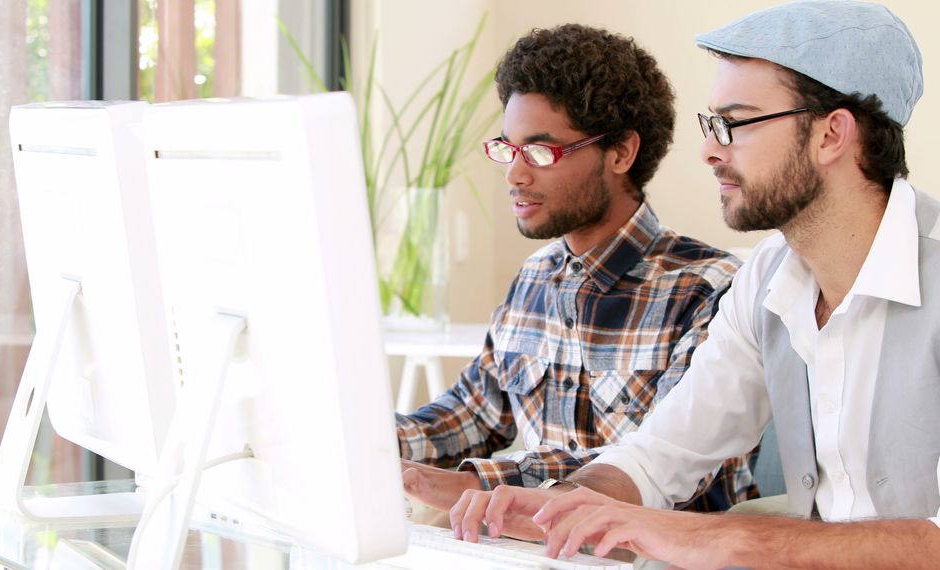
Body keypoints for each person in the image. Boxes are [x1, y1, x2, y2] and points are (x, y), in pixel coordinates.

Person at [449, 2, 940, 567]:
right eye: (713, 124)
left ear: (832, 134)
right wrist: (561, 508)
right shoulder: (768, 277)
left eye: (736, 122)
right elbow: (662, 455)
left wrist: (709, 538)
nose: (709, 149)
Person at [396, 23, 757, 522]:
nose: (515, 174)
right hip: (539, 543)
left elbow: (659, 466)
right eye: (508, 148)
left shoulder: (708, 289)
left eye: (542, 151)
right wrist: (375, 444)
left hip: (656, 551)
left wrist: (478, 482)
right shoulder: (536, 277)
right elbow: (475, 413)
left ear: (621, 152)